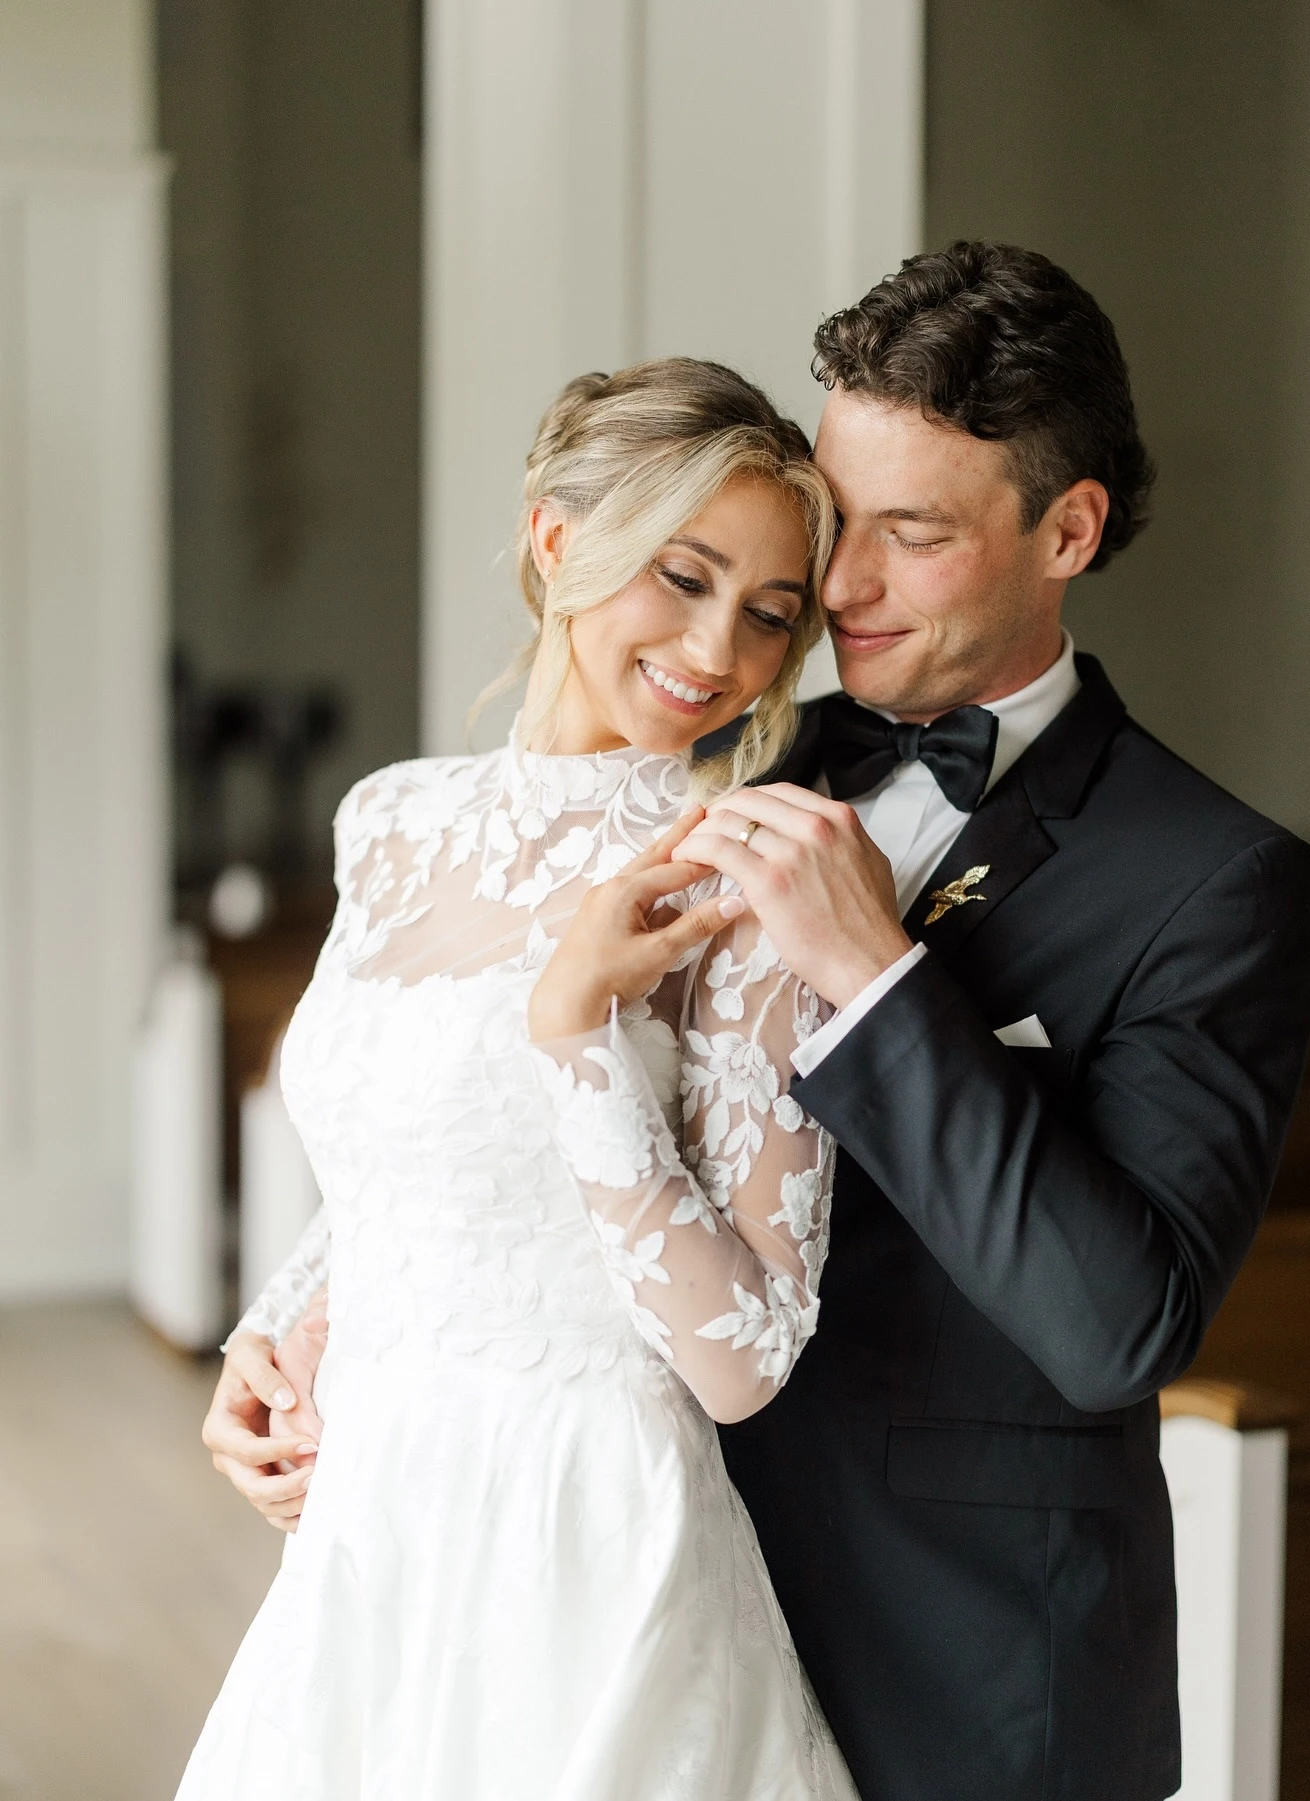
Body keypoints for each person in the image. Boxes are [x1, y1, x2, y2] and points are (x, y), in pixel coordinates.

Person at [208, 245, 1310, 1801]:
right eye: (836, 525)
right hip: (618, 1582)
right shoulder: (722, 760)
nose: (840, 591)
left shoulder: (1214, 880)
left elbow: (1117, 1327)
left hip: (964, 1662)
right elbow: (507, 1116)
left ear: (1067, 529)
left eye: (913, 535)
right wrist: (294, 1321)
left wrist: (879, 982)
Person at [177, 358, 859, 1799]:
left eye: (769, 613)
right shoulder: (393, 821)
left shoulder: (744, 875)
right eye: (682, 577)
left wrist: (578, 1032)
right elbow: (409, 1166)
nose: (718, 648)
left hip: (588, 1545)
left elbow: (747, 1356)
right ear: (558, 543)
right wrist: (272, 1332)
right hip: (377, 1534)